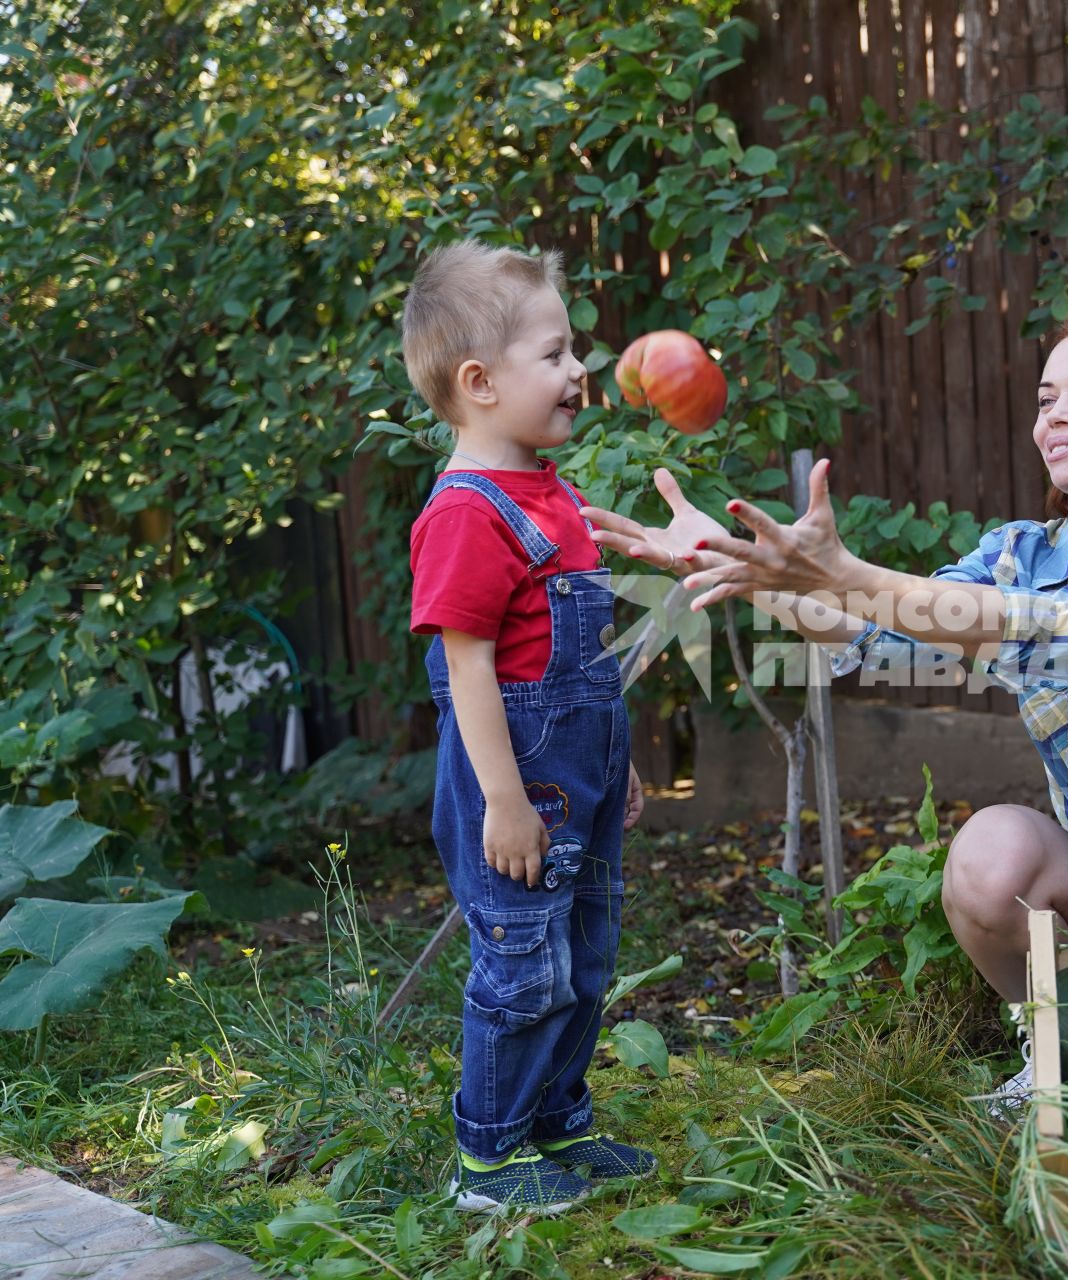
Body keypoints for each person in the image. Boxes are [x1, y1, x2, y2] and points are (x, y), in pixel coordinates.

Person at [582, 292, 1068, 1111]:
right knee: (990, 853)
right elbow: (881, 640)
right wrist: (751, 575)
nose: (1056, 417)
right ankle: (1048, 1055)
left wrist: (851, 575)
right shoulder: (1019, 555)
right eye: (1047, 400)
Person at [402, 238, 656, 1211]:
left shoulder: (547, 493)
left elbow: (575, 663)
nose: (577, 369)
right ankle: (491, 1157)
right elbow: (468, 669)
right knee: (522, 965)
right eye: (552, 353)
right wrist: (503, 803)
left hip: (577, 780)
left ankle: (558, 1120)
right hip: (518, 791)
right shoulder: (468, 512)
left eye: (571, 348)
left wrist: (615, 761)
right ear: (479, 381)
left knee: (582, 956)